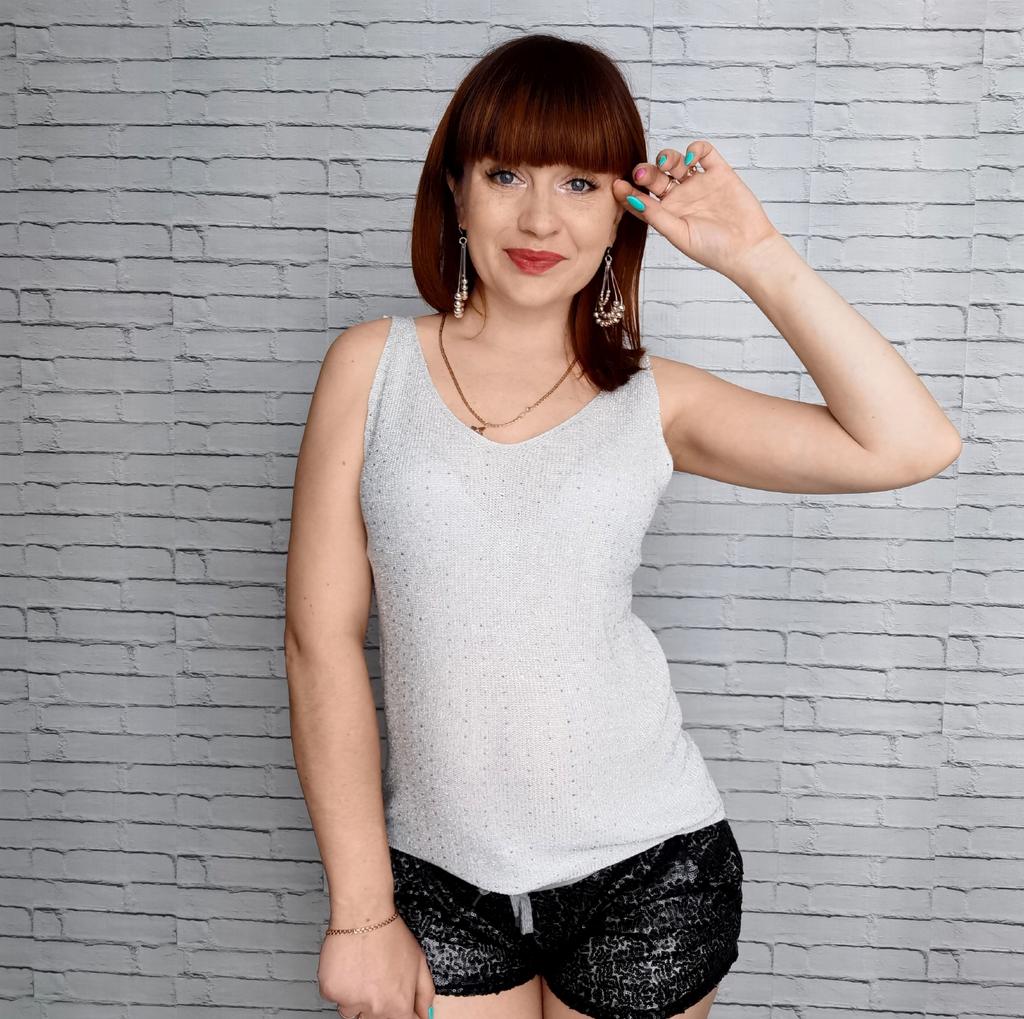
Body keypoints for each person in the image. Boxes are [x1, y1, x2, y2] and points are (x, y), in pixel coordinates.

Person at [283, 33, 962, 1019]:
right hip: (437, 875)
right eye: (505, 173)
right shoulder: (369, 367)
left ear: (620, 212)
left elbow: (911, 443)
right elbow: (320, 641)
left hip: (648, 870)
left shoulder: (653, 400)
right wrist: (359, 912)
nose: (537, 217)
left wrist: (755, 255)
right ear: (455, 192)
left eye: (578, 183)